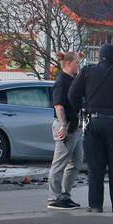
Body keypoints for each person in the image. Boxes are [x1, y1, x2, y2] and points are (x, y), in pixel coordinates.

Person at [69, 44, 113, 213]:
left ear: (99, 56)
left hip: (93, 123)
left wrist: (81, 110)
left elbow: (72, 94)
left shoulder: (87, 71)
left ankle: (95, 205)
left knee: (95, 167)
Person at [47, 51, 84, 210]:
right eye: (77, 62)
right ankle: (54, 198)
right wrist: (63, 125)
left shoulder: (73, 79)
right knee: (59, 163)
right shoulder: (62, 81)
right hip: (66, 126)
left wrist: (78, 58)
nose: (79, 65)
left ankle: (65, 196)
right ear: (68, 63)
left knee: (76, 162)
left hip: (75, 127)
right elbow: (58, 105)